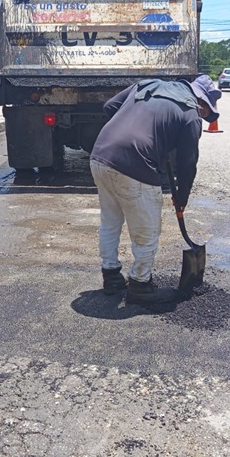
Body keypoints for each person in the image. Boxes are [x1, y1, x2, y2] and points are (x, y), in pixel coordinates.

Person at [90, 75, 220, 304]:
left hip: (100, 156)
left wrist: (141, 135)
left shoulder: (147, 85)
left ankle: (111, 277)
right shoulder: (190, 113)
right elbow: (187, 164)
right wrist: (182, 196)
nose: (202, 116)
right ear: (201, 102)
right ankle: (140, 286)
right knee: (147, 232)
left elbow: (109, 106)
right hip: (134, 165)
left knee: (111, 221)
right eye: (205, 112)